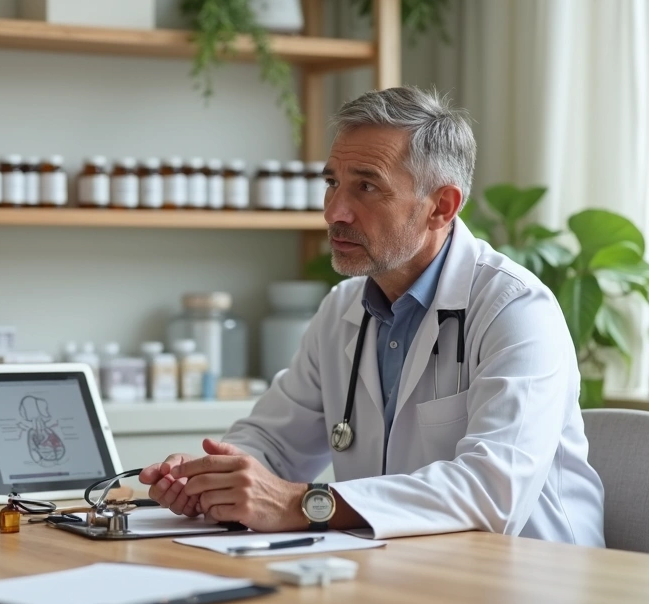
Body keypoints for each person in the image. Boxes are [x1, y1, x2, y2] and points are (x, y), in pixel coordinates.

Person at [141, 87, 605, 546]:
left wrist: (304, 504)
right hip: (401, 573)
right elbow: (275, 445)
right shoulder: (343, 309)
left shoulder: (516, 310)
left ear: (441, 206)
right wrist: (210, 479)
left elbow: (490, 493)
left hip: (535, 585)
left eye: (366, 186)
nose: (333, 211)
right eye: (332, 183)